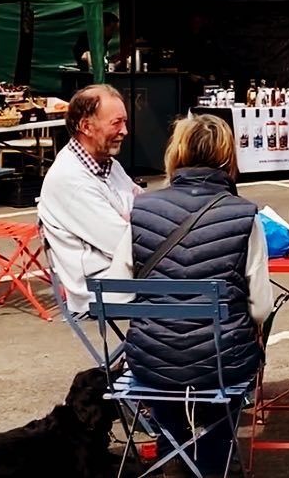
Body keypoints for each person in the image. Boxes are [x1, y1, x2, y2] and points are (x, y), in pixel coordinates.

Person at [121, 114, 271, 477]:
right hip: (220, 362)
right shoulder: (244, 215)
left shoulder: (142, 209)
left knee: (163, 374)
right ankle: (211, 458)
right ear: (227, 157)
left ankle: (175, 445)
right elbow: (261, 306)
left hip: (151, 359)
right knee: (235, 360)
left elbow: (121, 294)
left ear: (177, 153)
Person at [38, 84, 143, 315]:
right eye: (116, 123)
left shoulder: (108, 164)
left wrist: (133, 220)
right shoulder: (69, 179)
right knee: (207, 285)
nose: (125, 131)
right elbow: (125, 244)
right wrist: (133, 220)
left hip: (127, 276)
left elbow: (144, 213)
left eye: (124, 122)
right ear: (86, 126)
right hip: (104, 290)